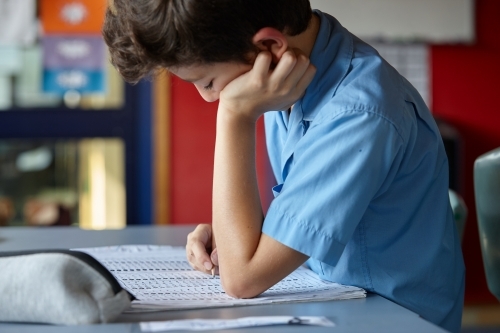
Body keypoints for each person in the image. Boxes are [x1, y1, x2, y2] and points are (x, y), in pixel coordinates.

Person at [102, 1, 465, 332]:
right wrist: (233, 235)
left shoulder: (357, 114)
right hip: (335, 299)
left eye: (208, 82)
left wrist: (234, 116)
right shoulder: (290, 80)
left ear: (270, 47)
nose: (210, 97)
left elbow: (243, 280)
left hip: (394, 320)